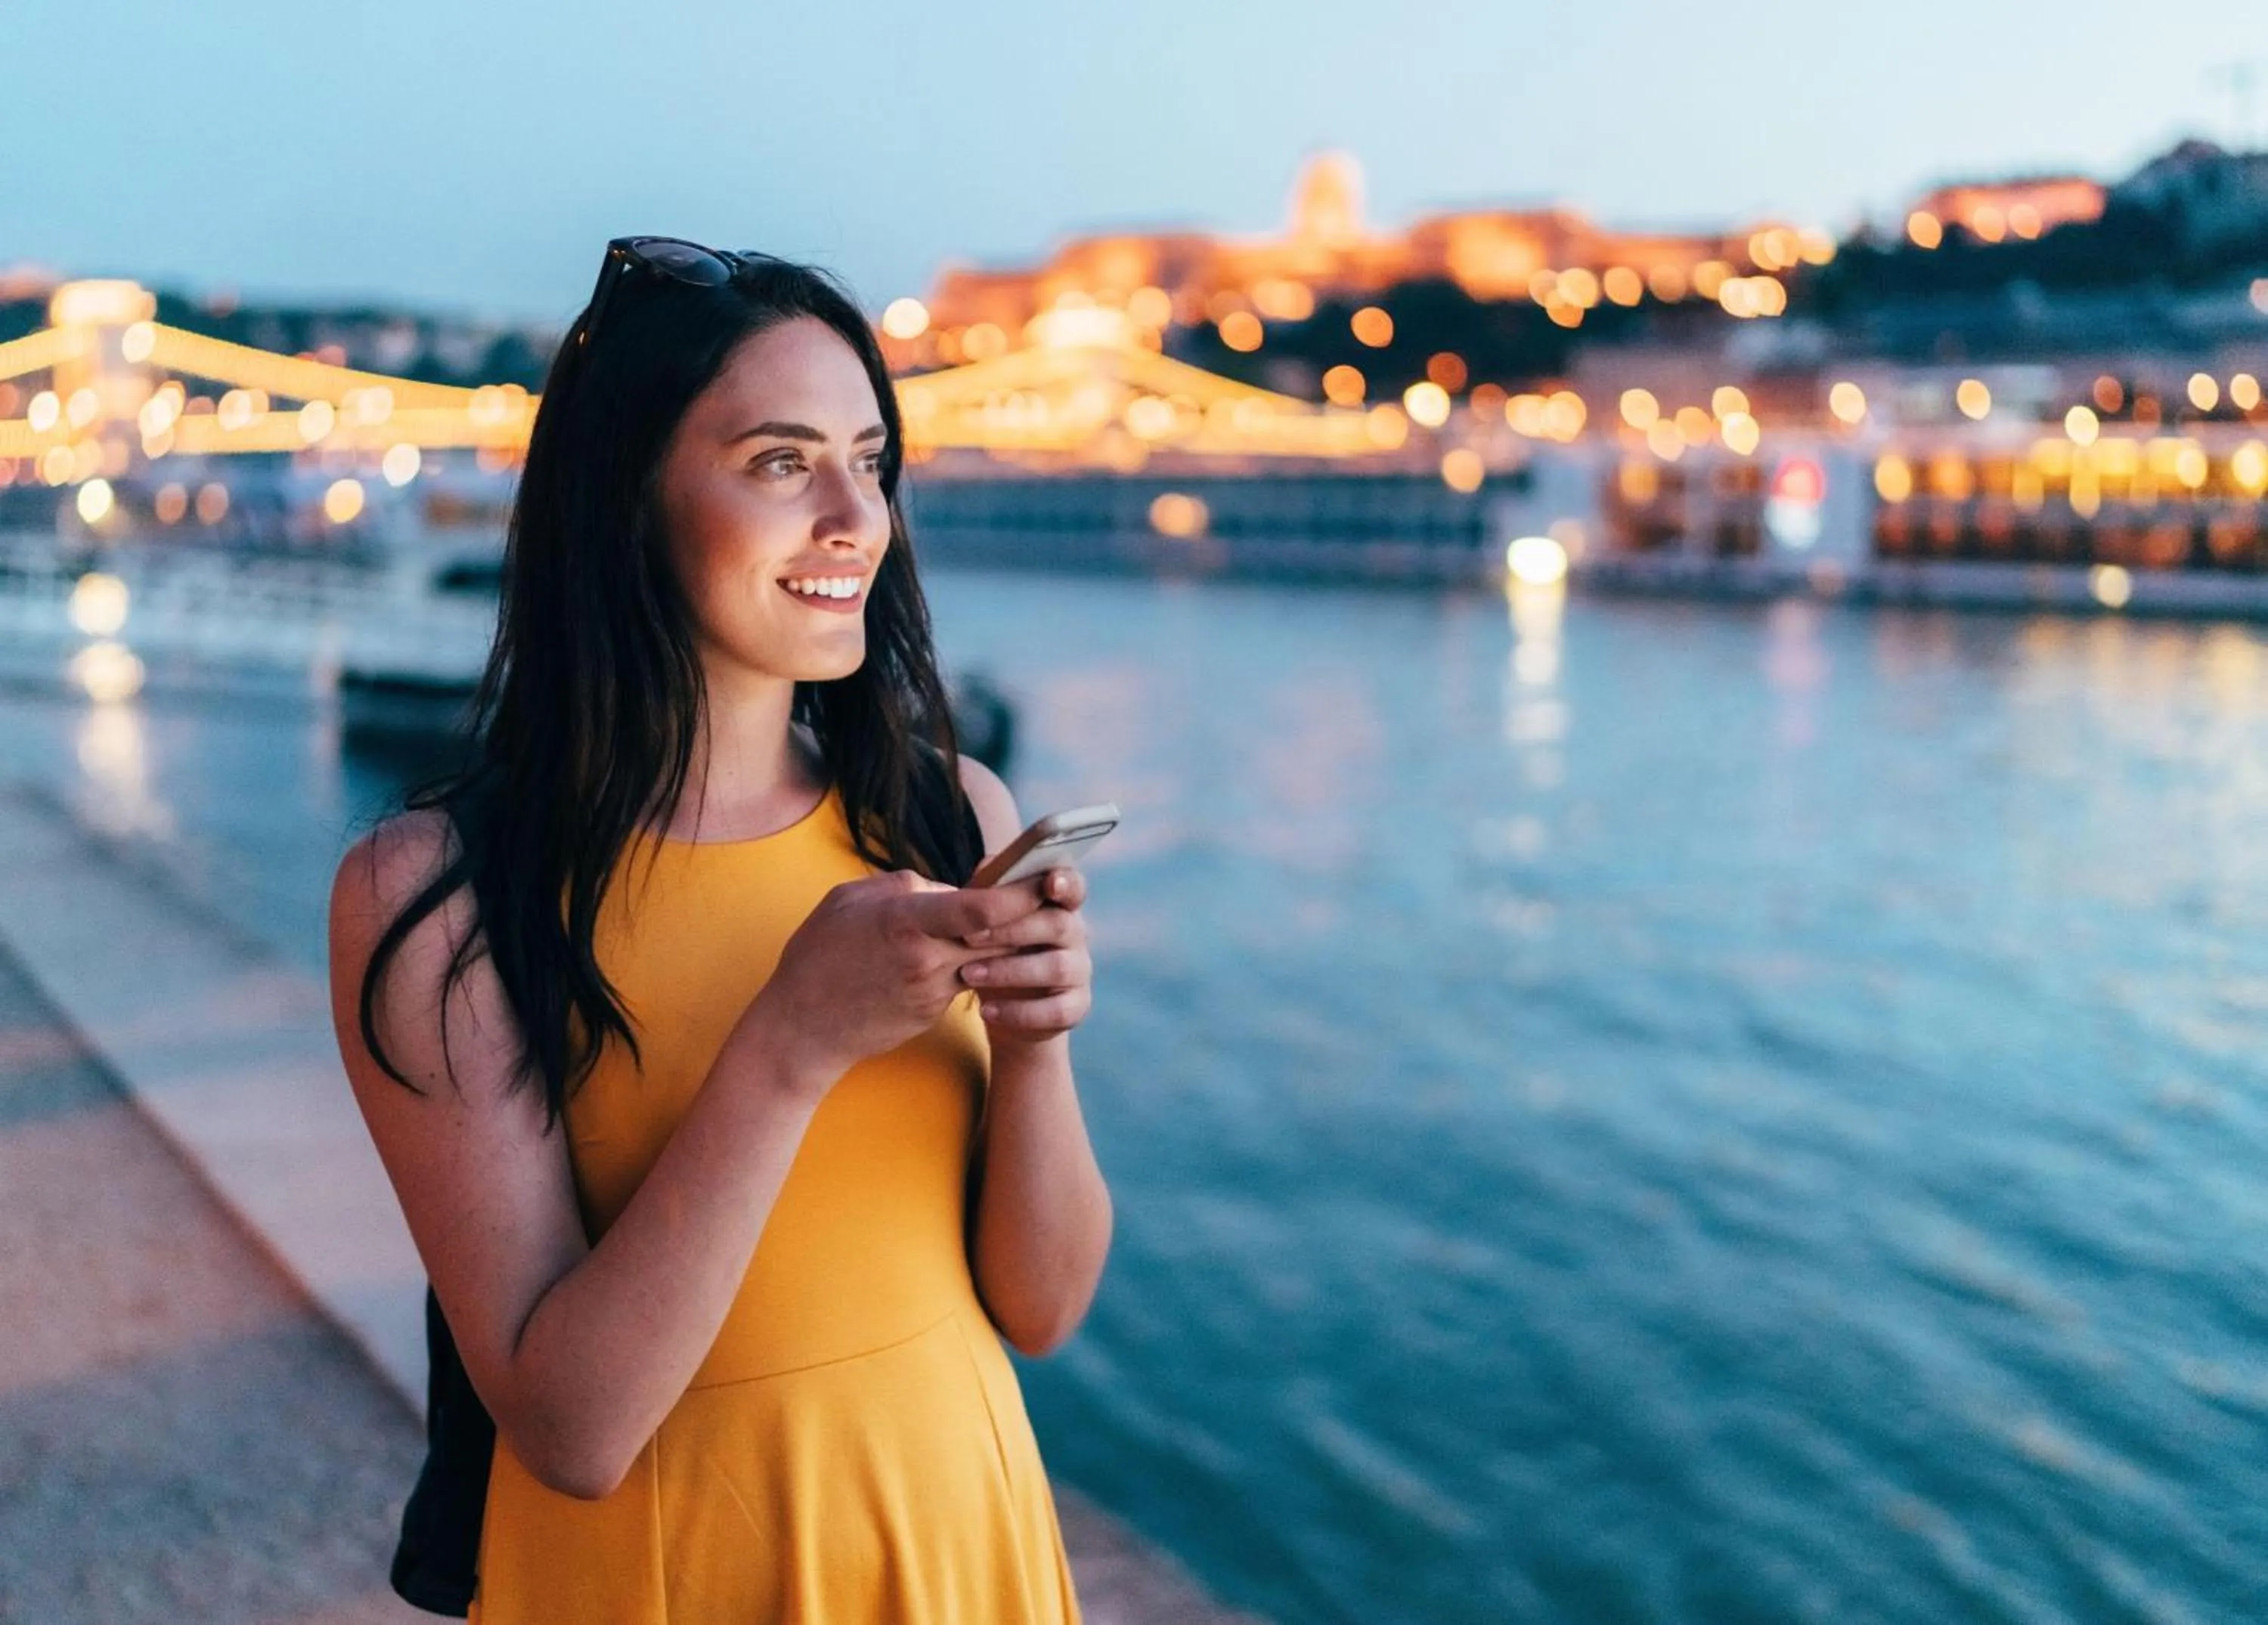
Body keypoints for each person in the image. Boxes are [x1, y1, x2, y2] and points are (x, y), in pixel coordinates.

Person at [325, 238, 1113, 1622]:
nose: (854, 516)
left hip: (959, 1538)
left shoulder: (948, 810)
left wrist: (1039, 1046)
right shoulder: (437, 894)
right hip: (662, 1570)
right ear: (626, 500)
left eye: (871, 460)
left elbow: (1042, 1309)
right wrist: (787, 1048)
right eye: (779, 461)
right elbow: (571, 1429)